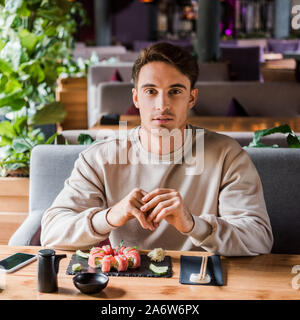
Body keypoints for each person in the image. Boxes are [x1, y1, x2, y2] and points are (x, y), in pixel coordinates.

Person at [41, 43, 273, 256]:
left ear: (191, 97)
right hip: (127, 285)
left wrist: (193, 224)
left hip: (203, 284)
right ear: (136, 98)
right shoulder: (99, 159)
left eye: (175, 91)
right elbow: (52, 232)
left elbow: (259, 238)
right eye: (151, 91)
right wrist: (111, 215)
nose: (162, 105)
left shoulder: (227, 155)